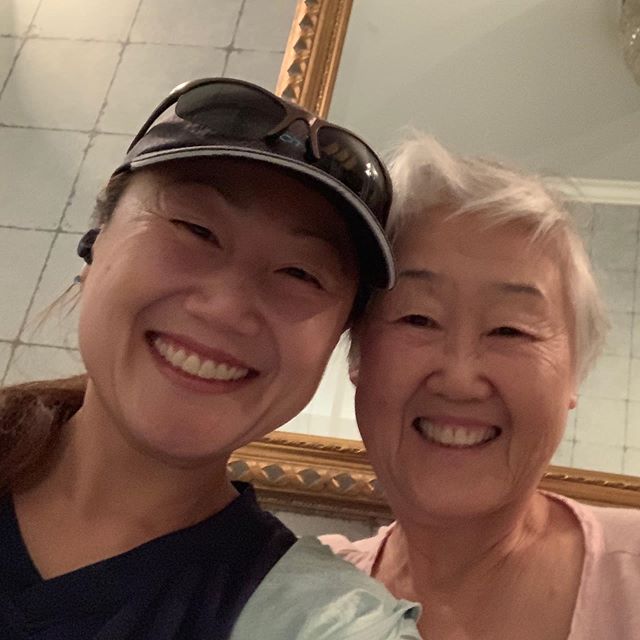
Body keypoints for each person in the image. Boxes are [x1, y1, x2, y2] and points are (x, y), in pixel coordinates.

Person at [0, 78, 420, 639]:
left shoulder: (320, 620)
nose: (226, 309)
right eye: (195, 229)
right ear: (94, 244)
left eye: (301, 273)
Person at [323, 134, 640, 639]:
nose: (460, 378)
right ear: (357, 352)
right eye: (418, 318)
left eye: (510, 330)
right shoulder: (299, 598)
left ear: (573, 374)